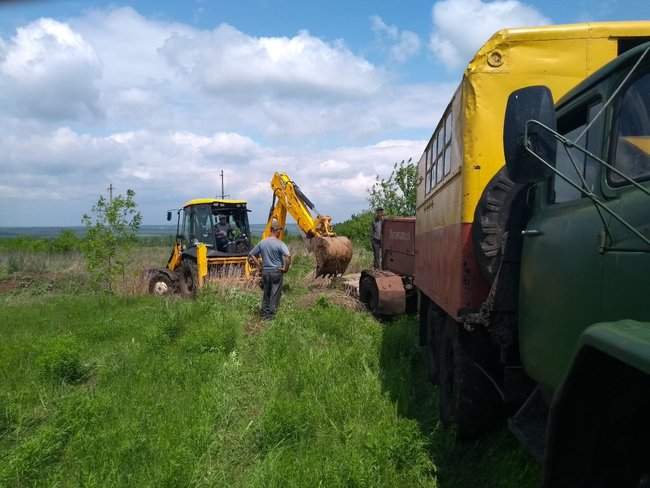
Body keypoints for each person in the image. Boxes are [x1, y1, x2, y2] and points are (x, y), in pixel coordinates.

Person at [248, 220, 291, 320]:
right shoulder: (280, 243)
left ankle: (263, 314)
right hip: (276, 272)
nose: (280, 232)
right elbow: (288, 257)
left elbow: (251, 254)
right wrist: (285, 268)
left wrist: (259, 266)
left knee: (266, 293)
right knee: (274, 294)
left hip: (265, 272)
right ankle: (270, 317)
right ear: (276, 231)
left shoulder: (262, 243)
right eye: (279, 230)